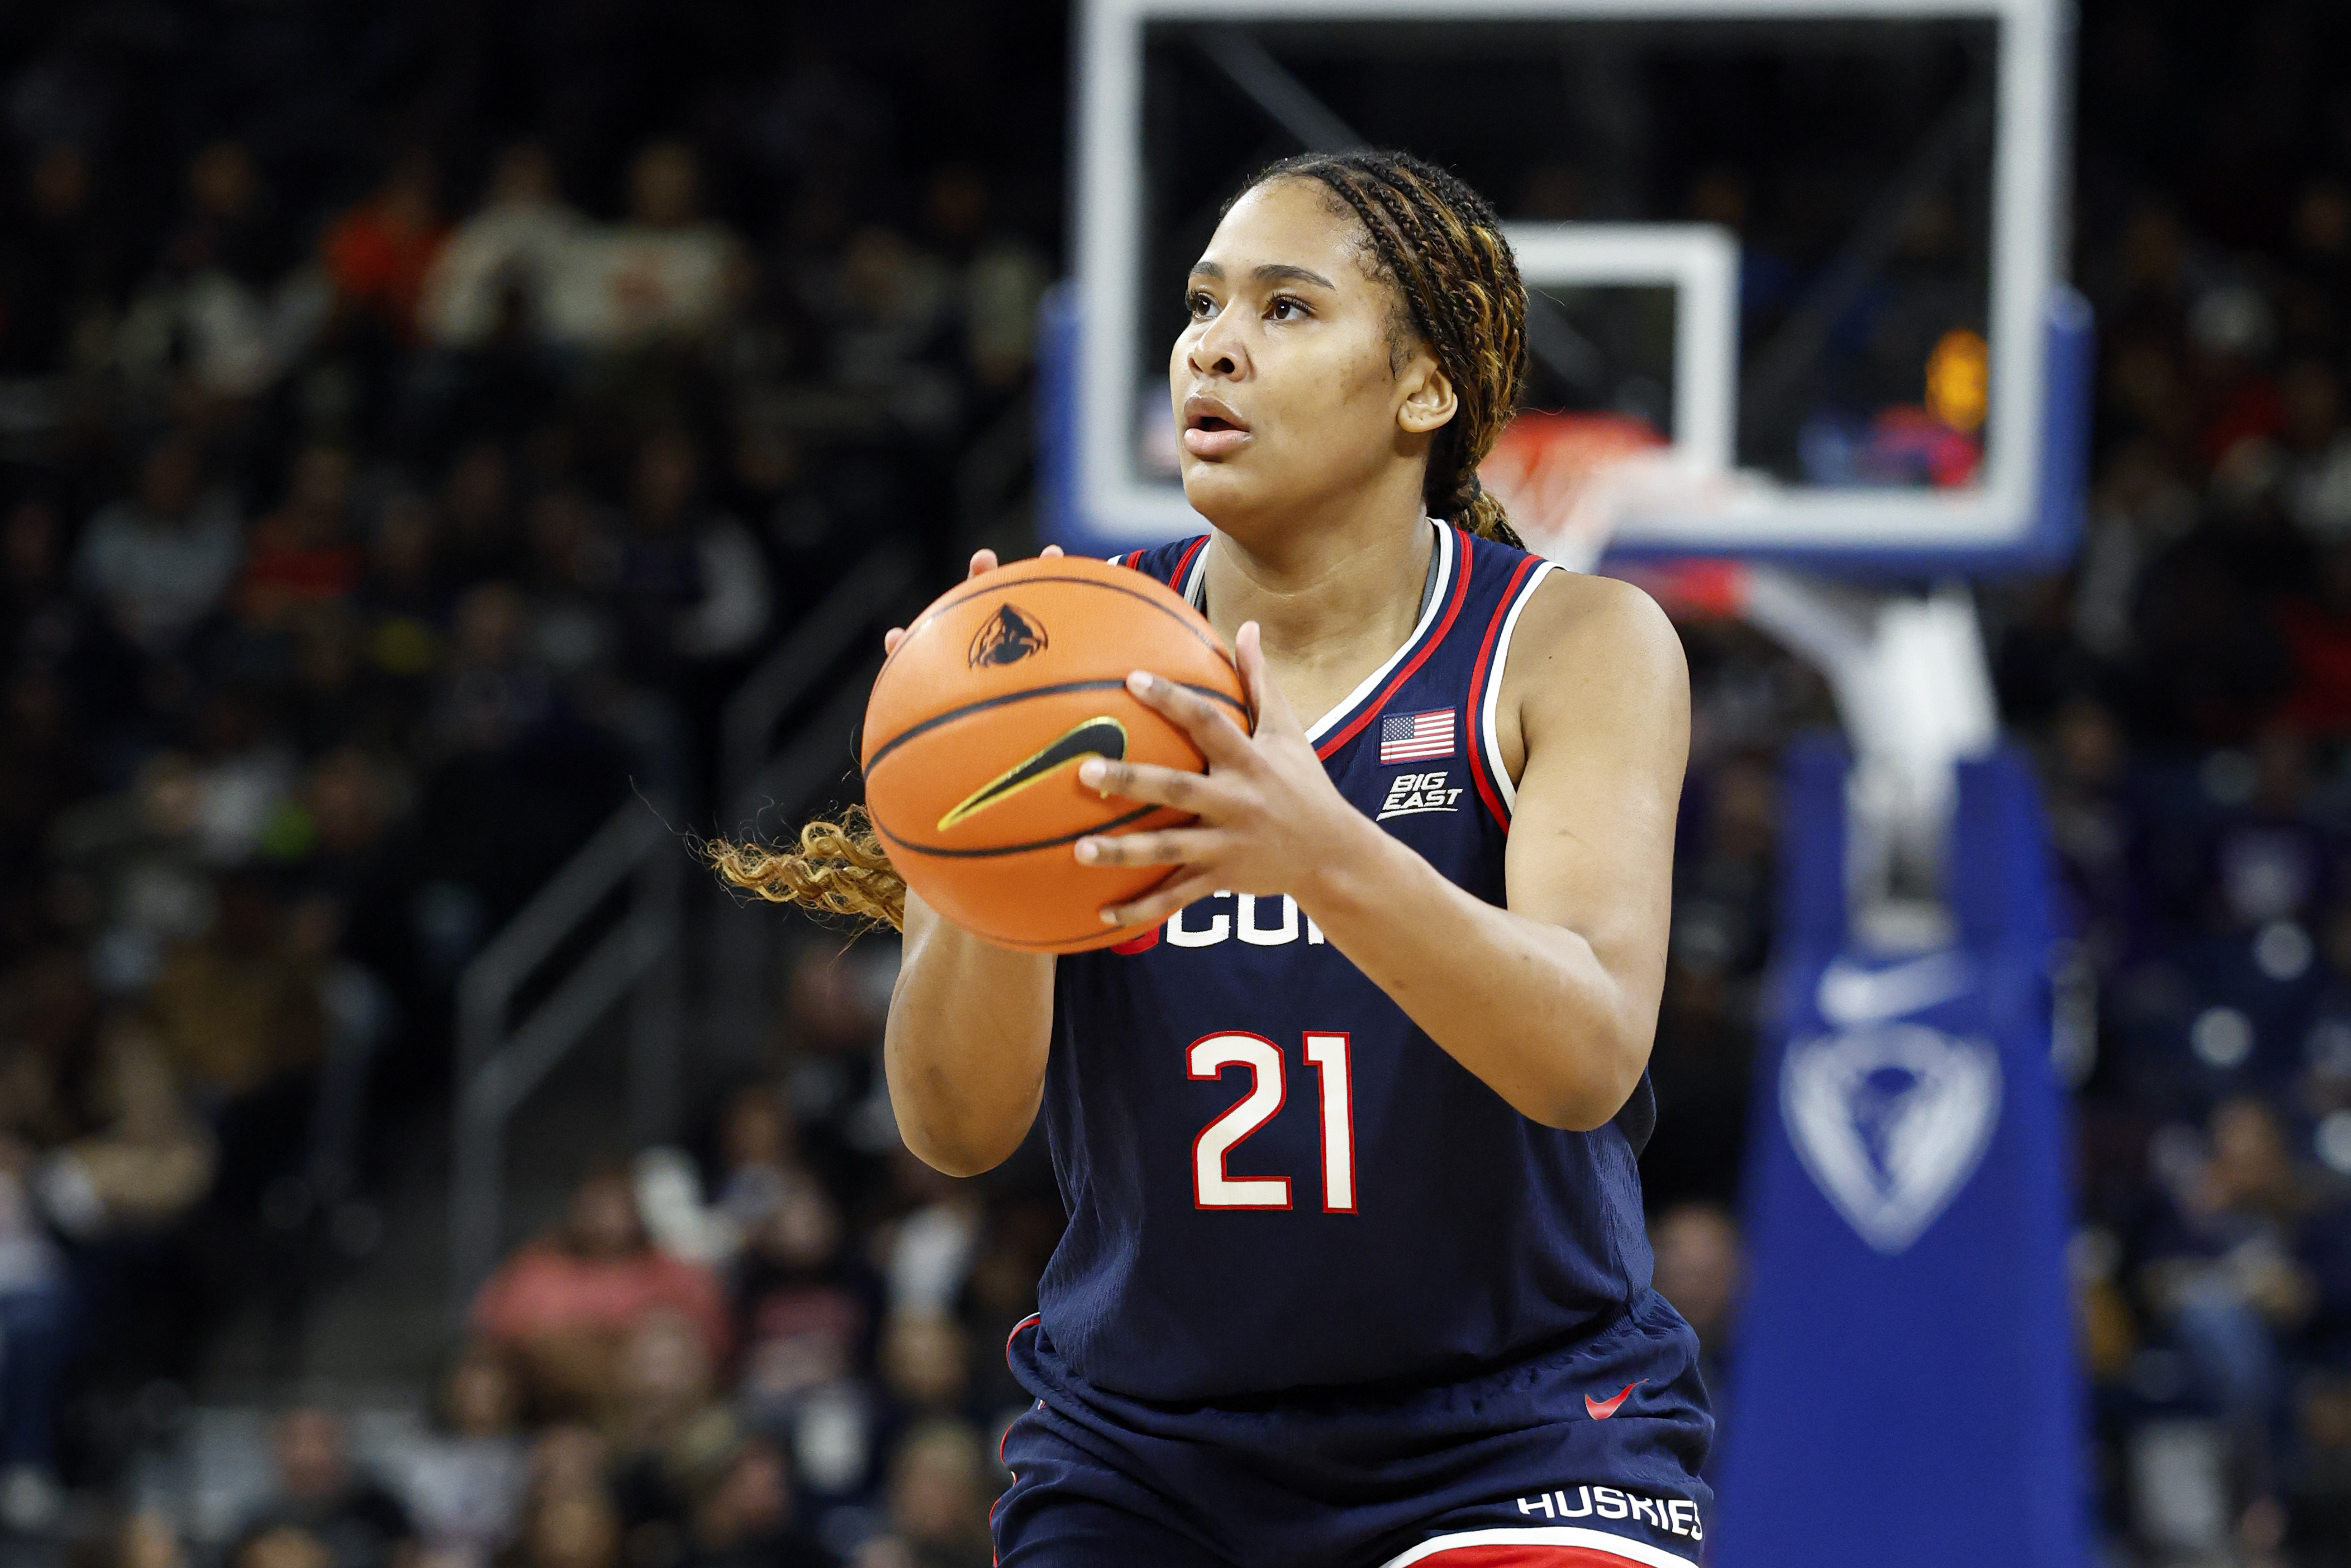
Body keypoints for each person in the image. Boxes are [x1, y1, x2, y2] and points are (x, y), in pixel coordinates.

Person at [712, 150, 1703, 1566]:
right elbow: (952, 1126)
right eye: (1200, 306)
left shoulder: (1569, 646)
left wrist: (1321, 854)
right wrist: (991, 856)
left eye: (1286, 310)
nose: (1213, 346)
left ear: (1424, 388)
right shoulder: (1067, 663)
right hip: (1149, 1450)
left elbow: (1590, 1051)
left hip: (1519, 1427)